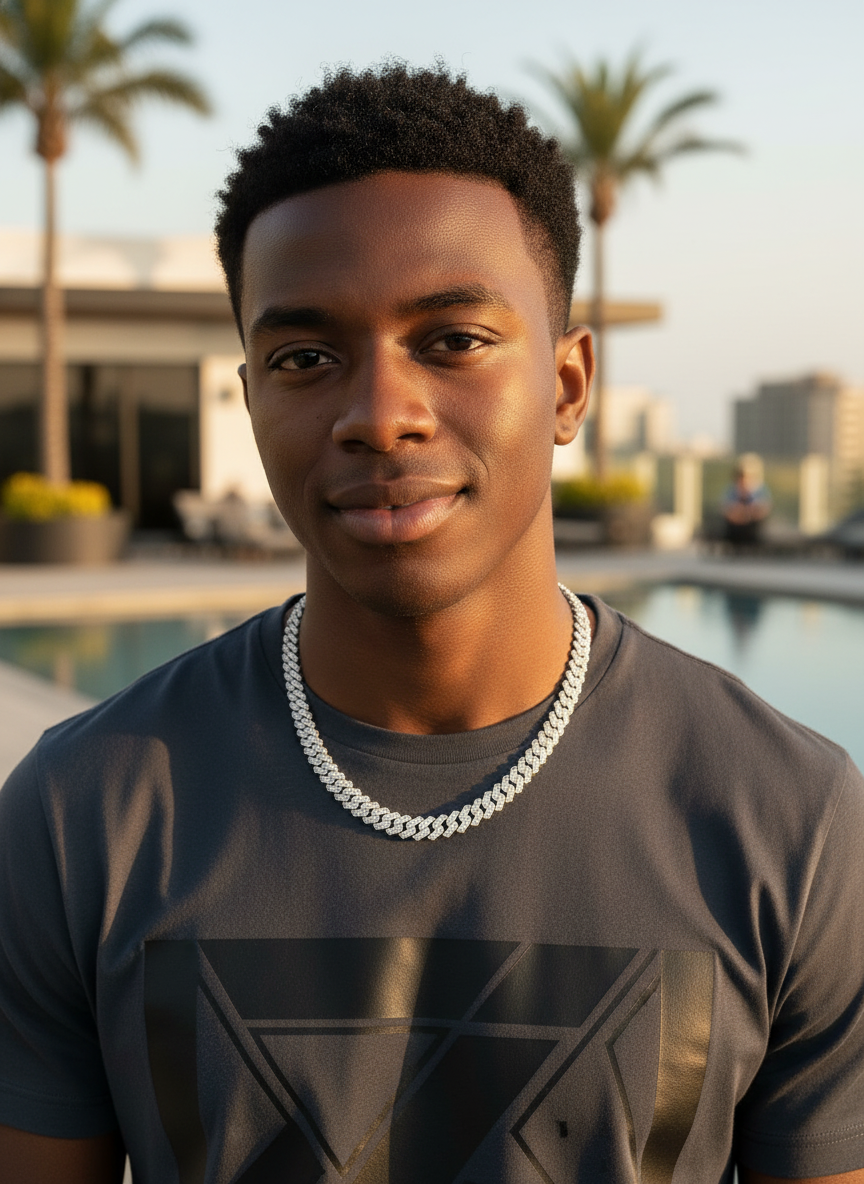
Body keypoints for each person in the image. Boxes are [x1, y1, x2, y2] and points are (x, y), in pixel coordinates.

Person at [1, 63, 863, 1184]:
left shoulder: (787, 821)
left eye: (452, 340)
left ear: (567, 385)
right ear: (252, 393)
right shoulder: (83, 817)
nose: (380, 414)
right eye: (305, 358)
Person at [721, 455, 772, 549]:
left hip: (753, 528)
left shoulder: (760, 490)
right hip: (734, 529)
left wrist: (746, 513)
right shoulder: (731, 490)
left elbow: (763, 510)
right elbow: (727, 510)